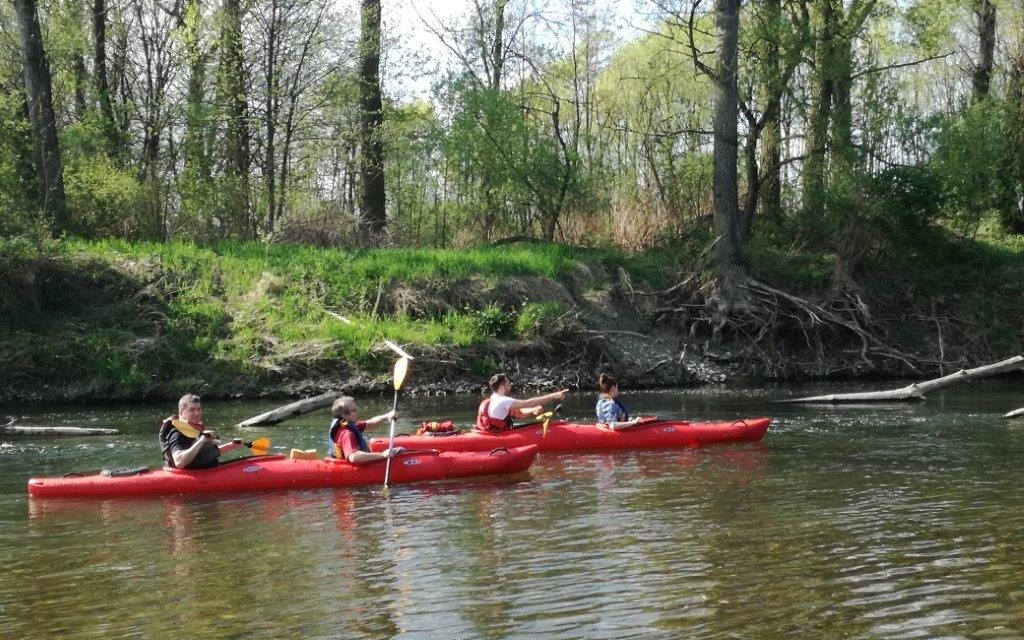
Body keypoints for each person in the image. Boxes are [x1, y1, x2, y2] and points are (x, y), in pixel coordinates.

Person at [158, 394, 245, 469]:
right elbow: (179, 462)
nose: (197, 413)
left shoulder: (193, 429)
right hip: (193, 476)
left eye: (199, 409)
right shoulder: (177, 433)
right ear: (181, 413)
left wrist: (232, 445)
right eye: (192, 410)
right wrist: (201, 440)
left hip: (208, 470)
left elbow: (203, 454)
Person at [476, 373, 568, 432]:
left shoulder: (494, 400)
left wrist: (533, 410)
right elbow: (529, 402)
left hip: (494, 433)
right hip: (500, 436)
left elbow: (519, 413)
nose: (510, 386)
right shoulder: (503, 401)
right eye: (508, 384)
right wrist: (553, 396)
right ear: (501, 387)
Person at [328, 396, 403, 464]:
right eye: (354, 410)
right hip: (352, 469)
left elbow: (369, 424)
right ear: (344, 415)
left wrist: (386, 416)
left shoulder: (345, 424)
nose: (357, 411)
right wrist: (382, 455)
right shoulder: (346, 433)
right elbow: (354, 457)